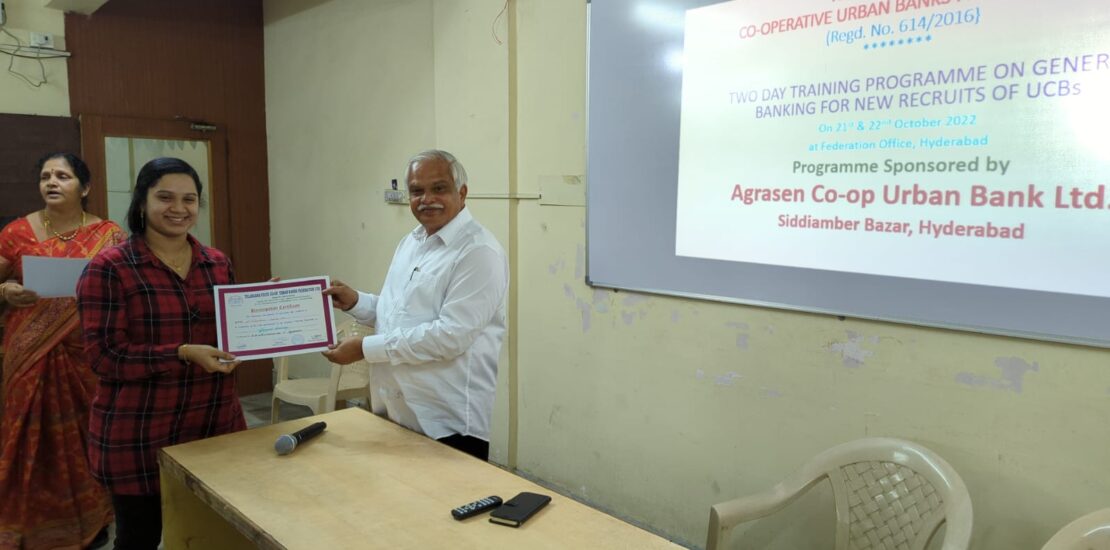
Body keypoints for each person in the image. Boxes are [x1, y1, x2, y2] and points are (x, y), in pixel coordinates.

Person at [76, 157, 245, 550]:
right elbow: (104, 356)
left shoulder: (217, 263)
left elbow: (228, 335)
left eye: (189, 199)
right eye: (165, 197)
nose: (179, 208)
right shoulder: (109, 268)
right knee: (139, 539)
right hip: (140, 430)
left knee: (209, 535)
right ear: (142, 202)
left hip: (212, 421)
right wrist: (181, 353)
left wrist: (264, 311)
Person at [323, 150, 508, 461]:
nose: (426, 199)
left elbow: (450, 336)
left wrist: (365, 348)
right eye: (416, 191)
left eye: (439, 188)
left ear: (462, 193)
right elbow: (398, 314)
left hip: (445, 424)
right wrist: (356, 302)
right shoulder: (412, 242)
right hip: (394, 412)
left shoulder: (479, 252)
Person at [0, 153, 122, 550]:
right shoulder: (16, 232)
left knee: (88, 435)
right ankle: (28, 523)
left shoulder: (109, 235)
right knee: (27, 436)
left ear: (84, 188)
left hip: (86, 353)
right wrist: (5, 290)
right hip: (28, 352)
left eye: (63, 176)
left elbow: (124, 288)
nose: (51, 182)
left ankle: (94, 520)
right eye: (45, 176)